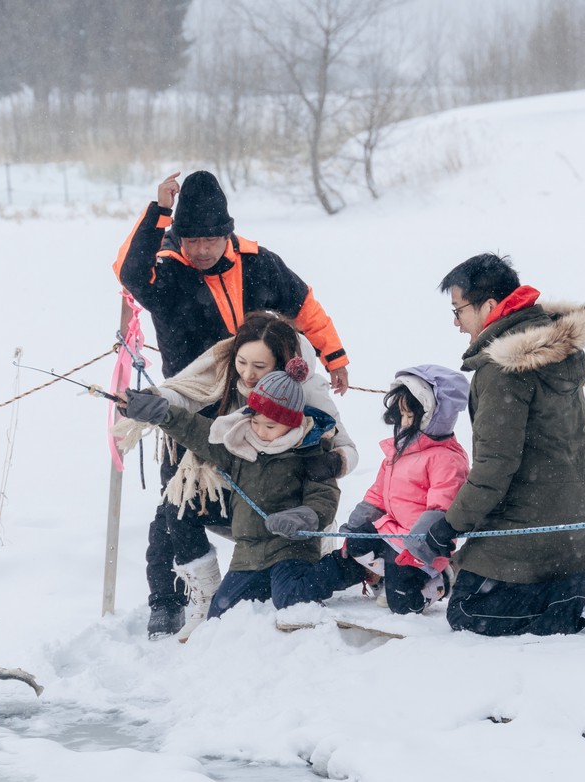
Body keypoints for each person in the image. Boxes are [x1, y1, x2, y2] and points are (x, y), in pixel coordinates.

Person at [112, 171, 352, 638]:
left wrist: (334, 355)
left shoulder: (259, 262)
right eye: (191, 240)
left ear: (228, 233)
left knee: (278, 488)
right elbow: (129, 272)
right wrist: (159, 212)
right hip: (190, 404)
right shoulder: (165, 268)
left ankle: (296, 562)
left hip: (261, 403)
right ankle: (173, 598)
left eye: (210, 239)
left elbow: (304, 305)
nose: (201, 249)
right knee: (177, 502)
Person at [407, 253, 585, 639]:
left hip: (531, 521)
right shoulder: (551, 347)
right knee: (484, 584)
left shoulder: (503, 370)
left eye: (458, 311)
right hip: (572, 516)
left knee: (468, 609)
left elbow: (494, 466)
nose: (457, 323)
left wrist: (451, 525)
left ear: (489, 306)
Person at [112, 311, 359, 641]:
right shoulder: (232, 398)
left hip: (291, 523)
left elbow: (343, 456)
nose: (248, 374)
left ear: (284, 363)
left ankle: (347, 564)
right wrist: (155, 406)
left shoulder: (307, 408)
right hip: (246, 507)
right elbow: (190, 406)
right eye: (242, 362)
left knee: (292, 592)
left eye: (259, 366)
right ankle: (206, 597)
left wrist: (330, 465)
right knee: (177, 507)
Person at [338, 365, 470, 615]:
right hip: (391, 533)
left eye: (411, 416)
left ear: (432, 416)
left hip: (421, 547)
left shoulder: (446, 459)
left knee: (403, 605)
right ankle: (390, 577)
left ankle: (441, 580)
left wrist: (422, 544)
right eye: (401, 415)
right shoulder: (399, 451)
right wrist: (359, 521)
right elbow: (378, 494)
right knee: (356, 542)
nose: (404, 423)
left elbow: (442, 506)